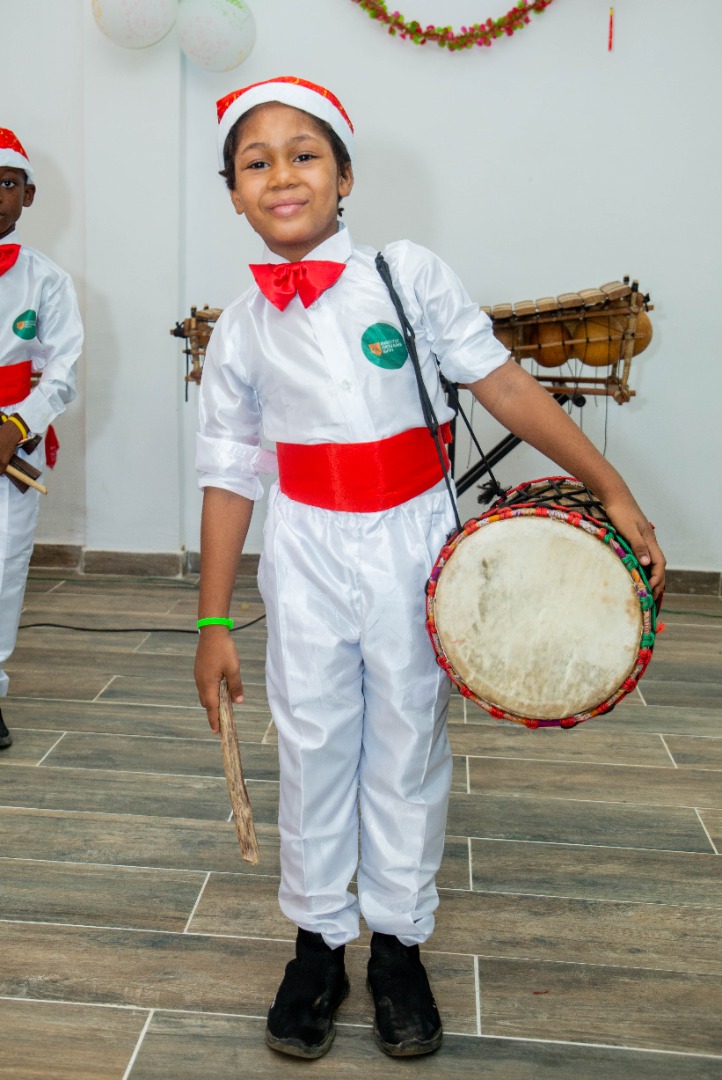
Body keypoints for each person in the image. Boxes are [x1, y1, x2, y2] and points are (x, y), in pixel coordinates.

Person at [194, 76, 665, 1060]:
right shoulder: (239, 328)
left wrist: (612, 488)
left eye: (304, 154)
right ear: (233, 193)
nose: (281, 175)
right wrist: (212, 623)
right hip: (306, 549)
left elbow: (501, 385)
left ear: (345, 176)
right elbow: (230, 475)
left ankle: (399, 945)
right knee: (313, 741)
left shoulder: (404, 277)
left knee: (407, 741)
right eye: (255, 162)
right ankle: (318, 943)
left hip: (412, 538)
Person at [0, 128, 82, 749]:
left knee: (3, 566)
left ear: (27, 195)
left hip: (12, 442)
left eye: (6, 183)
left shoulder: (46, 280)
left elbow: (63, 372)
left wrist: (16, 425)